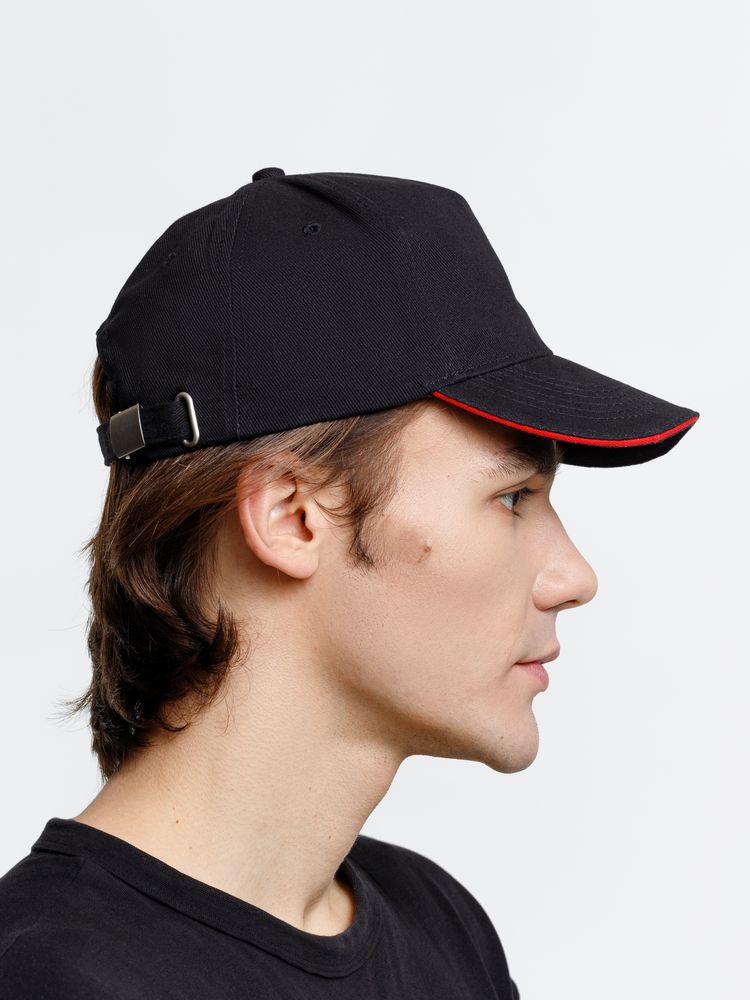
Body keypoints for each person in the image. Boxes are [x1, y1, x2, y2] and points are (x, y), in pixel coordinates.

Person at [0, 167, 700, 999]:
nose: (574, 577)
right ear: (292, 517)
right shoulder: (58, 977)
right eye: (512, 497)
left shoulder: (439, 926)